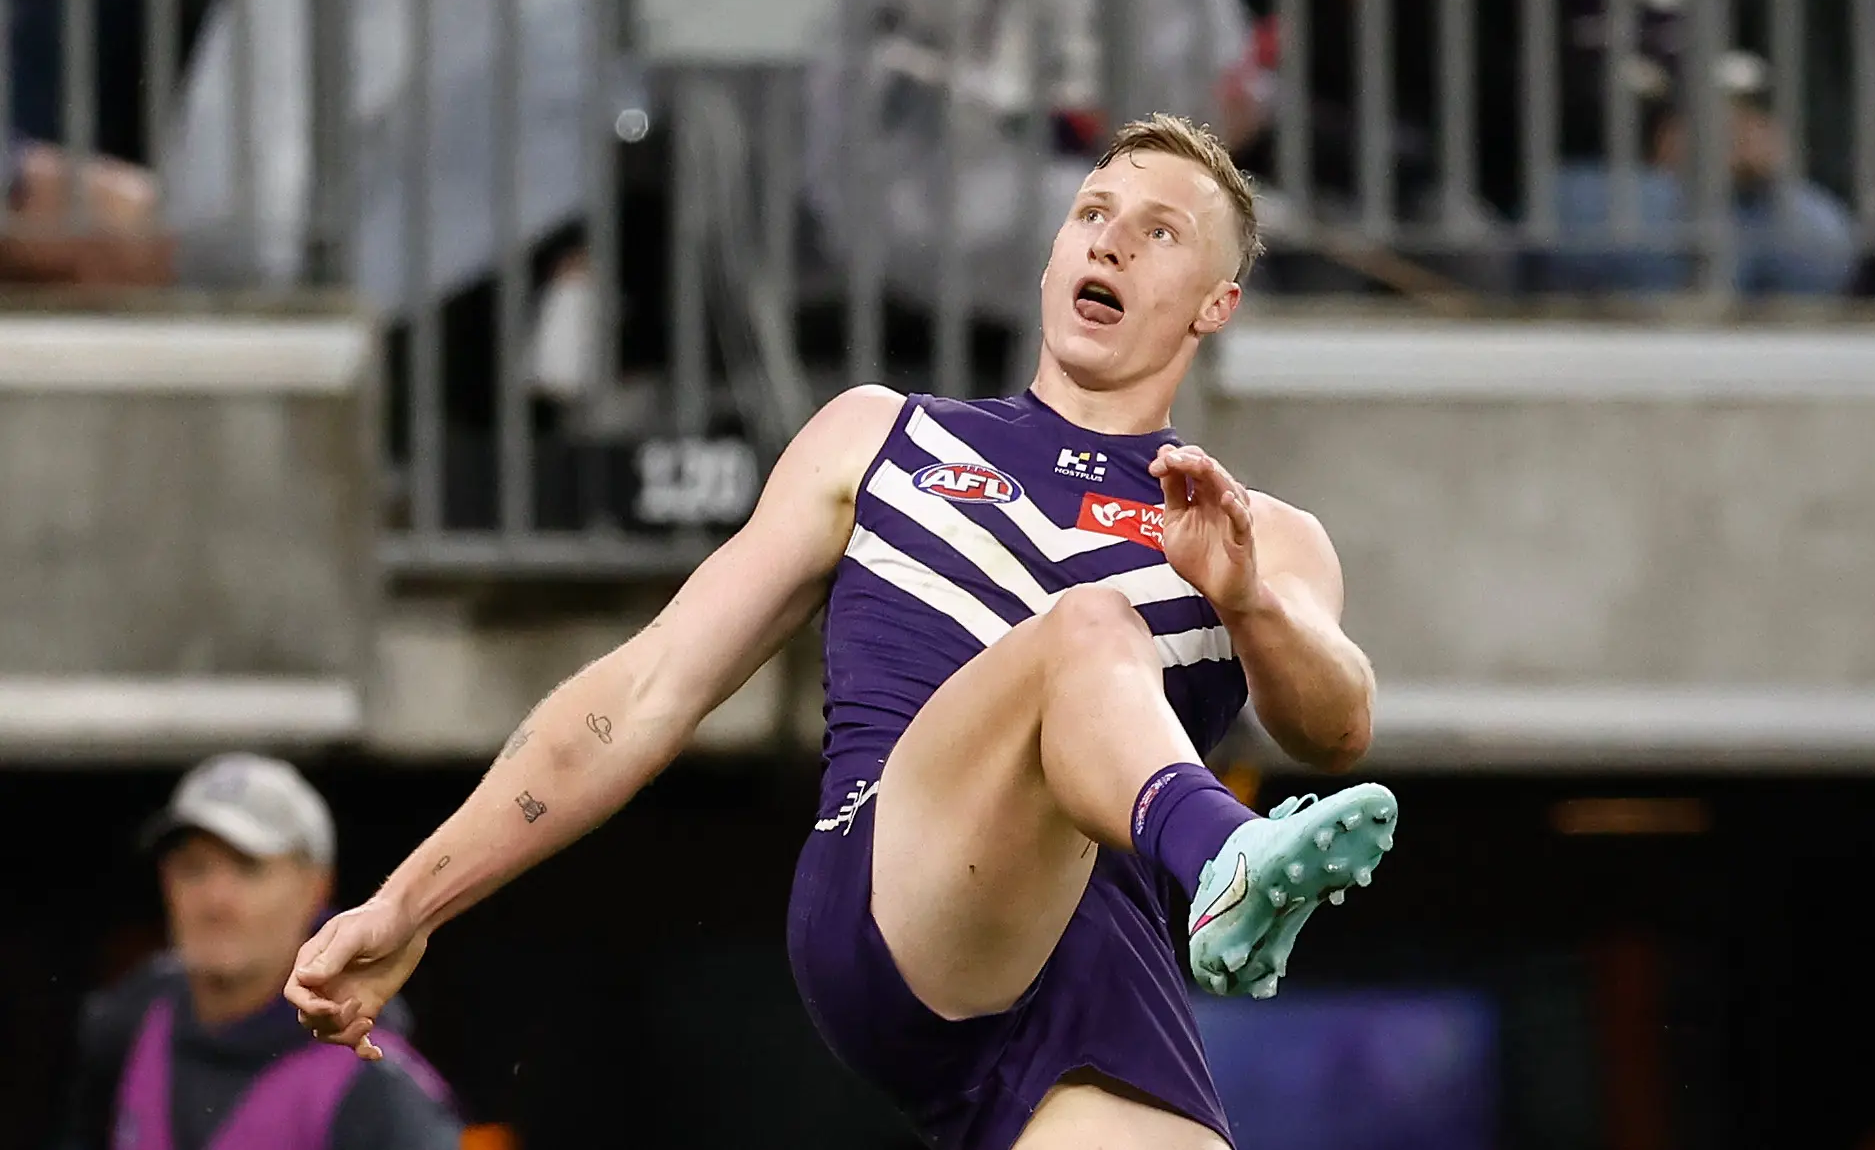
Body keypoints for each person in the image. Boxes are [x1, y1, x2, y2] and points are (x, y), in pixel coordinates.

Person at [288, 113, 1396, 1150]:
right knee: (1087, 629)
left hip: (1091, 953)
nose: (1111, 243)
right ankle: (1225, 856)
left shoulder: (1260, 532)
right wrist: (405, 901)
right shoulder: (883, 436)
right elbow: (643, 691)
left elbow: (1335, 724)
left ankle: (1224, 866)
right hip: (887, 886)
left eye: (1160, 233)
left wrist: (1244, 597)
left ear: (1215, 303)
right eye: (1092, 213)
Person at [53, 753, 462, 1150]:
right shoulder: (129, 1024)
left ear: (316, 887)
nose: (216, 900)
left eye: (248, 868)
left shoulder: (373, 1085)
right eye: (194, 868)